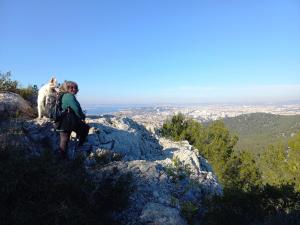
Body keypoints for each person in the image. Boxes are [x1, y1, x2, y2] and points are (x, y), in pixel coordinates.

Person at [57, 81, 90, 159]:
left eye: (77, 88)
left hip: (61, 121)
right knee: (85, 128)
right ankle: (80, 146)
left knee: (64, 140)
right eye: (75, 88)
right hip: (69, 121)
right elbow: (76, 109)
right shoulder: (69, 96)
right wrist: (82, 117)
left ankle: (62, 158)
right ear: (70, 88)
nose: (77, 90)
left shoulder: (62, 95)